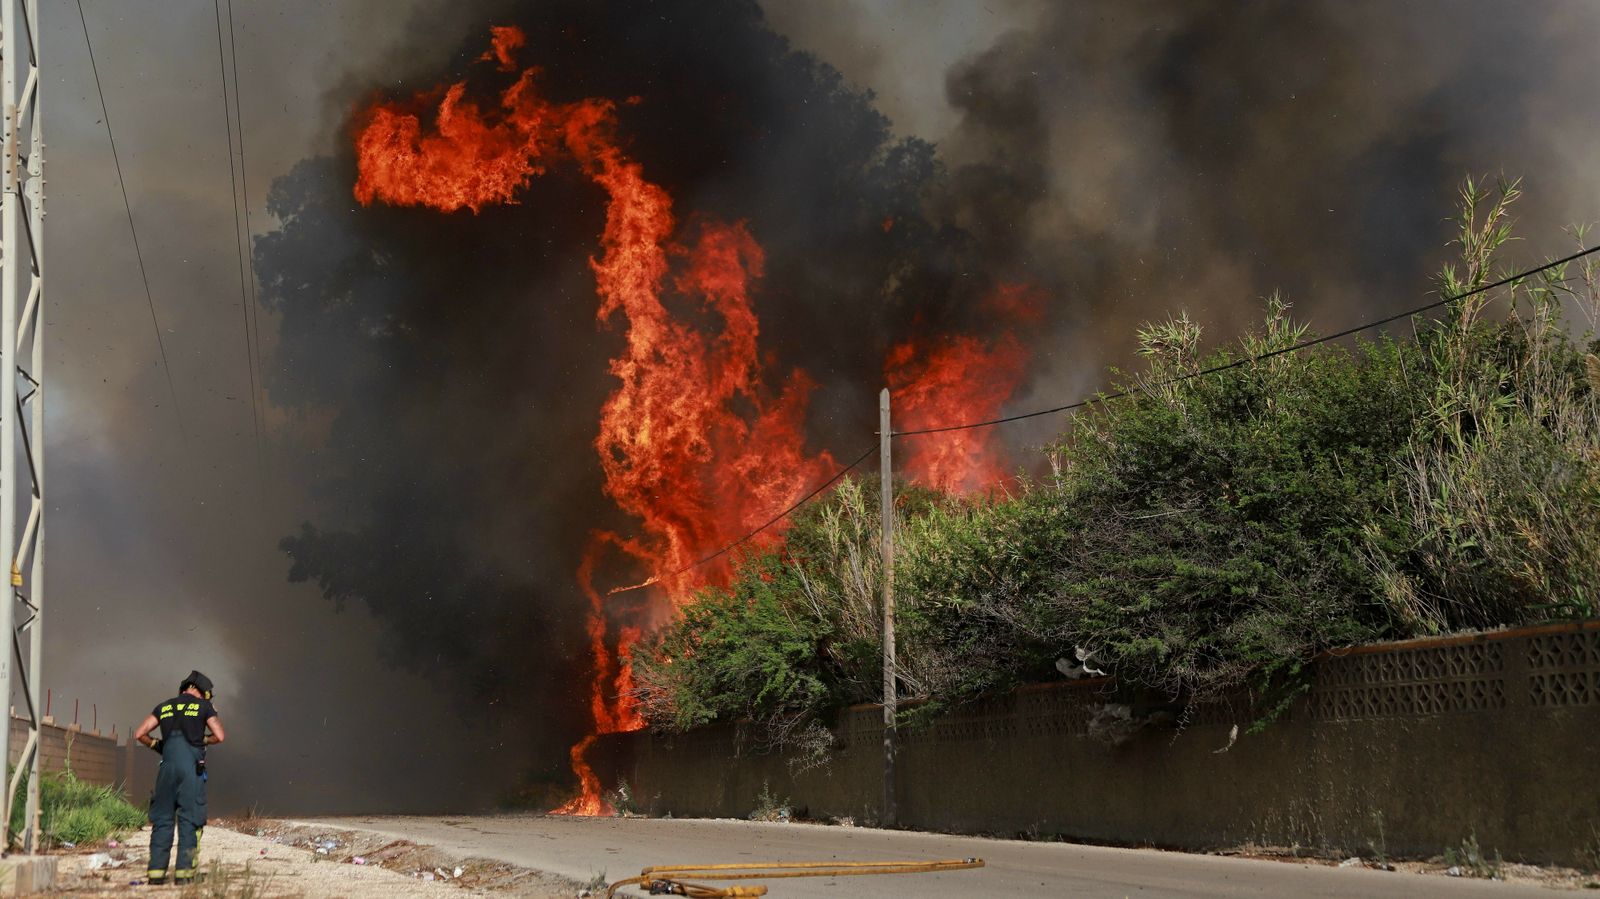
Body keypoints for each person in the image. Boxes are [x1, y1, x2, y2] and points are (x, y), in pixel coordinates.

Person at [132, 670, 226, 885]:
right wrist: (203, 738)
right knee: (189, 819)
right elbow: (219, 736)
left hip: (166, 770)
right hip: (190, 771)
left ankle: (156, 875)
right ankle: (184, 876)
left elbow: (140, 734)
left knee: (163, 821)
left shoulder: (164, 706)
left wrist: (157, 745)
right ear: (202, 692)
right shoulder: (204, 706)